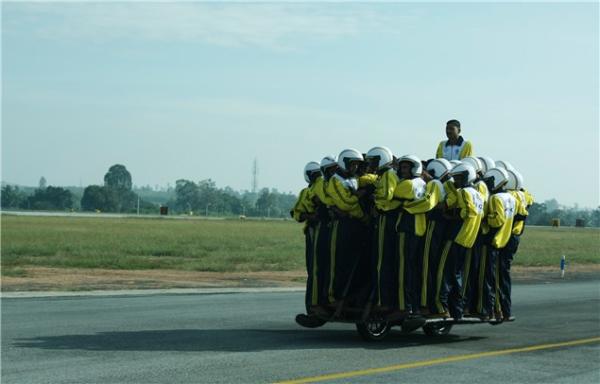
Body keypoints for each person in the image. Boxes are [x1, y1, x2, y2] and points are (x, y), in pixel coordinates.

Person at [403, 158, 452, 316]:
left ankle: (424, 304)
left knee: (425, 266)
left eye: (425, 170)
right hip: (435, 228)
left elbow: (428, 203)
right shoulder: (439, 184)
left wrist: (406, 207)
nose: (421, 173)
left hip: (432, 228)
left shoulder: (434, 184)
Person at [437, 163, 484, 319]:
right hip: (468, 239)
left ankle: (441, 306)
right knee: (456, 274)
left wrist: (448, 216)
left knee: (443, 272)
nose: (456, 181)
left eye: (459, 177)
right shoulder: (478, 193)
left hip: (456, 237)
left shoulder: (463, 192)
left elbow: (466, 213)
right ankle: (457, 309)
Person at [325, 149, 369, 308]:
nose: (355, 167)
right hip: (341, 225)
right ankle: (331, 298)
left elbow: (350, 203)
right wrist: (359, 196)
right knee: (337, 263)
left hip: (356, 224)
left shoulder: (354, 179)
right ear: (344, 162)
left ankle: (348, 298)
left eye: (357, 164)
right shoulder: (335, 180)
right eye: (353, 163)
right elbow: (345, 203)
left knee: (352, 264)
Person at [365, 146, 400, 312]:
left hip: (386, 218)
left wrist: (375, 201)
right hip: (383, 218)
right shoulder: (383, 175)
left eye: (373, 160)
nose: (370, 164)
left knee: (381, 262)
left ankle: (382, 301)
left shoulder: (389, 175)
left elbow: (387, 195)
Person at [393, 155, 427, 317]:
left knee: (403, 269)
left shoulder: (407, 184)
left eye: (405, 167)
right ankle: (413, 305)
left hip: (407, 229)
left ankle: (404, 306)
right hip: (419, 230)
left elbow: (390, 193)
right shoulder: (422, 184)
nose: (401, 170)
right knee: (413, 270)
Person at [292, 162, 325, 328]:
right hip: (317, 231)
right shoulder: (322, 186)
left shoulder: (312, 189)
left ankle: (314, 309)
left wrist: (309, 215)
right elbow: (297, 213)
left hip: (317, 232)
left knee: (315, 271)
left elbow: (296, 214)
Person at [483, 167, 517, 321]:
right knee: (500, 279)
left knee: (492, 279)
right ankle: (504, 310)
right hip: (504, 240)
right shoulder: (511, 198)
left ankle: (495, 311)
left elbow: (497, 220)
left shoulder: (496, 198)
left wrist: (485, 219)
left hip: (494, 241)